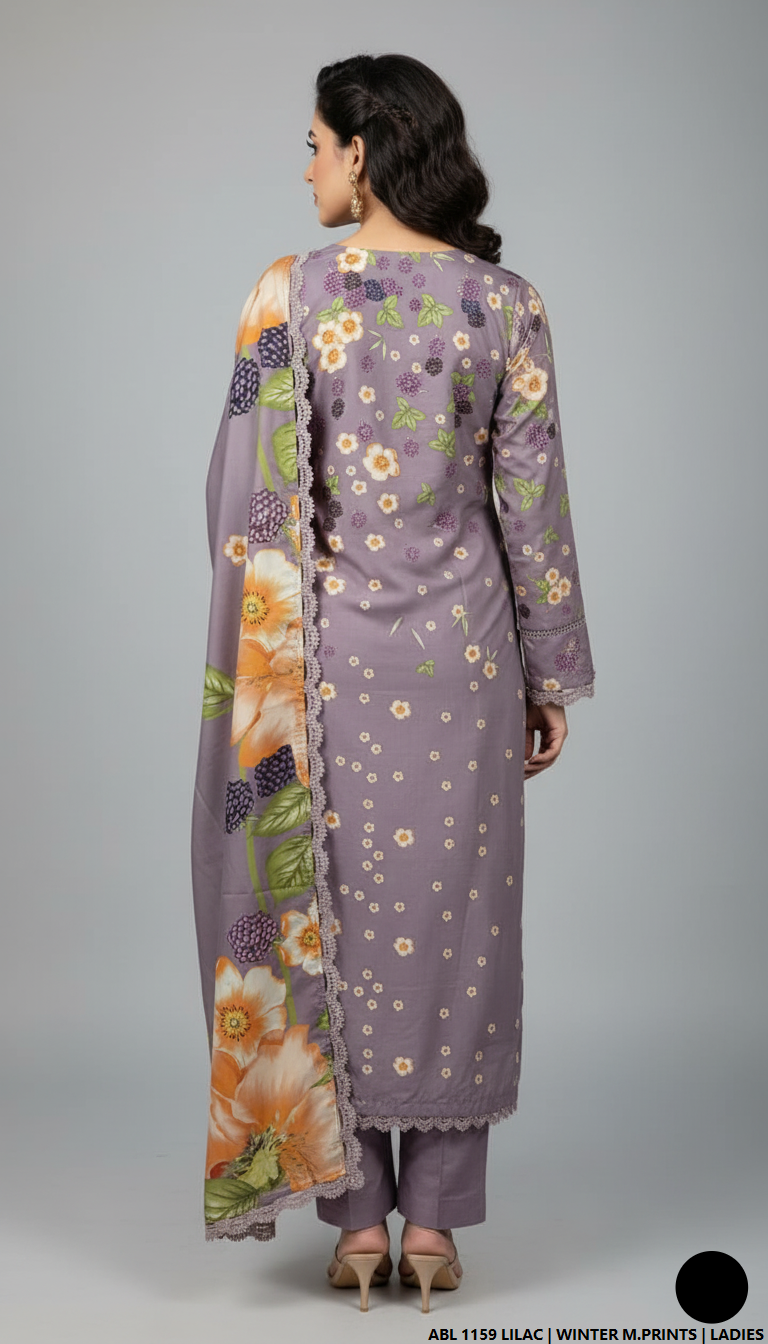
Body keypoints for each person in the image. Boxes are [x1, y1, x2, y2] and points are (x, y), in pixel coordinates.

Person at [191, 52, 595, 1314]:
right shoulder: (507, 303)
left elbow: (239, 500)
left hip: (327, 673)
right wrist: (548, 674)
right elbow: (533, 511)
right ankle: (434, 1232)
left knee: (338, 933)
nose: (306, 168)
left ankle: (356, 1224)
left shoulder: (291, 294)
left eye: (315, 145)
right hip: (468, 664)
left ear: (362, 153)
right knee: (460, 936)